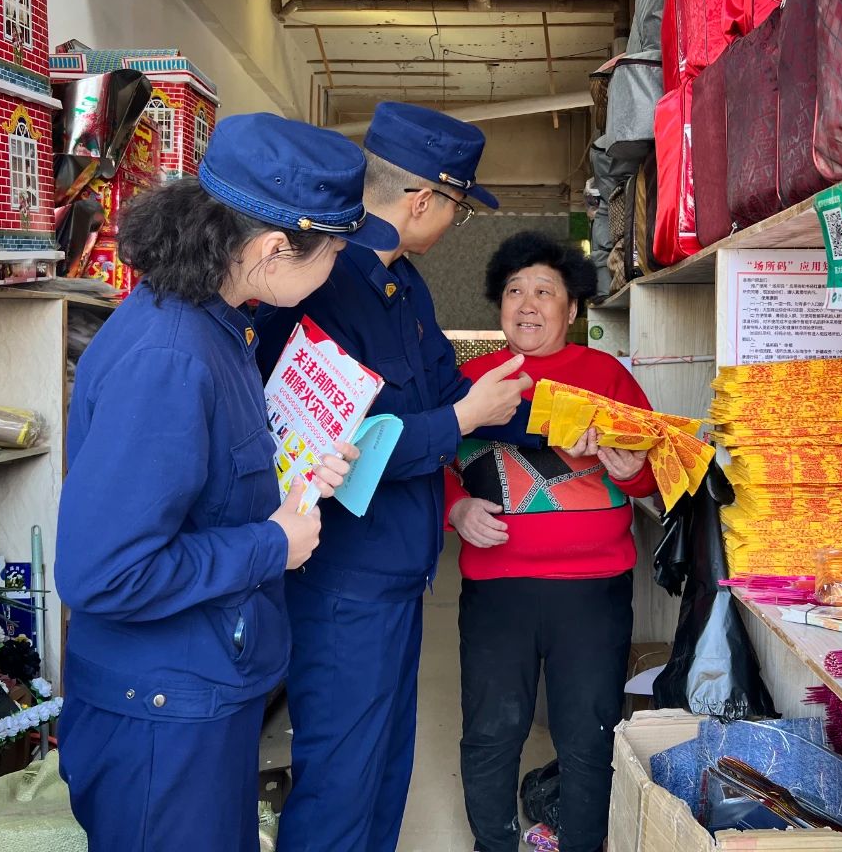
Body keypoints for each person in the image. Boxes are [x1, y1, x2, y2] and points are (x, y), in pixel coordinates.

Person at [56, 113, 399, 852]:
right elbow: (103, 572)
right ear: (273, 250)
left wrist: (298, 478)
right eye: (336, 250)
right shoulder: (171, 358)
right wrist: (272, 545)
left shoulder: (218, 323)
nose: (338, 265)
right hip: (163, 719)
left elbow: (202, 488)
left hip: (198, 691)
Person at [253, 102, 532, 852]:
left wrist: (562, 421)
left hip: (398, 578)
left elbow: (443, 392)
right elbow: (342, 448)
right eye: (457, 211)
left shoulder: (403, 284)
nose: (453, 224)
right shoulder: (323, 283)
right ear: (421, 201)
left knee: (383, 771)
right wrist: (464, 417)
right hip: (343, 581)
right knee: (339, 780)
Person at [446, 231, 658, 852]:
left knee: (588, 733)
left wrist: (632, 472)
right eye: (515, 291)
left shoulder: (606, 375)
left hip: (593, 590)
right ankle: (494, 844)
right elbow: (431, 465)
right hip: (497, 588)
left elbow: (651, 473)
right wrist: (457, 508)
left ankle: (583, 842)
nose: (528, 304)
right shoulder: (471, 381)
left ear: (573, 308)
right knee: (491, 730)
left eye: (545, 291)